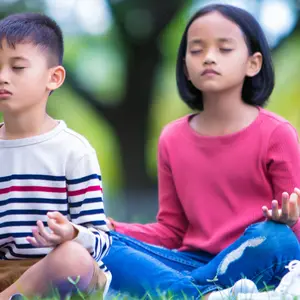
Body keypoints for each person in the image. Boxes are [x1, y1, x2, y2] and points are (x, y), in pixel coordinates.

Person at [103, 4, 300, 300]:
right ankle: (208, 295)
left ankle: (181, 291)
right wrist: (112, 226)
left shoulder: (276, 134)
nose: (208, 57)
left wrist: (290, 220)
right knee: (102, 243)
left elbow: (292, 238)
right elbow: (171, 231)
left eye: (224, 49)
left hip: (255, 253)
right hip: (192, 262)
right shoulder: (172, 137)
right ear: (185, 66)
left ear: (253, 63)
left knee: (276, 238)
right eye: (197, 50)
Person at [0, 12, 111, 299]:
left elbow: (100, 239)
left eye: (17, 67)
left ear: (54, 77)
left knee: (73, 258)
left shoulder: (74, 151)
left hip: (55, 269)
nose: (2, 77)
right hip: (3, 269)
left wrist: (71, 234)